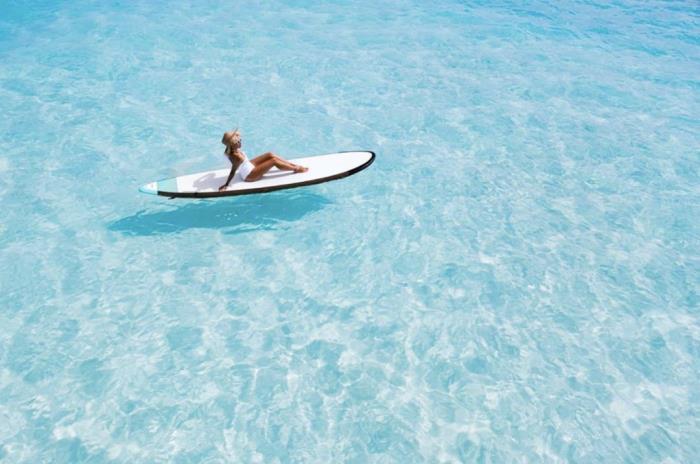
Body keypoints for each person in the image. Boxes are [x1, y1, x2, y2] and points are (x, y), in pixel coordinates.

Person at [218, 129, 308, 191]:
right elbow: (233, 171)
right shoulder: (236, 157)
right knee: (273, 161)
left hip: (248, 165)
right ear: (232, 144)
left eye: (239, 140)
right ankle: (296, 169)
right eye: (237, 142)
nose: (240, 142)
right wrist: (226, 184)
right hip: (249, 175)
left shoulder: (230, 149)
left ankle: (291, 165)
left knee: (270, 154)